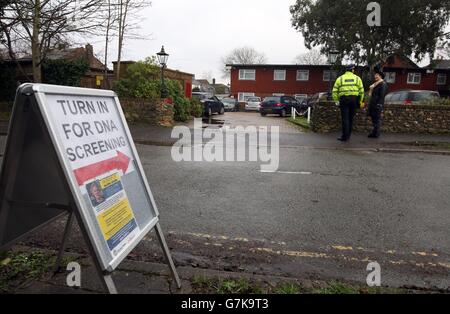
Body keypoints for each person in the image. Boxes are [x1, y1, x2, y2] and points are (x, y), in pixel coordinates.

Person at [332, 65, 365, 142]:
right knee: (351, 118)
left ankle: (344, 136)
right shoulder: (357, 78)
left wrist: (336, 101)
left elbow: (334, 91)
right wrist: (361, 101)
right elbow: (361, 91)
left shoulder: (340, 78)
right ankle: (348, 135)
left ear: (346, 70)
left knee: (345, 119)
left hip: (344, 100)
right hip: (354, 100)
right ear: (352, 70)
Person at [367, 70, 388, 138]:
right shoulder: (375, 85)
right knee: (374, 119)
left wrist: (379, 105)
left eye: (377, 75)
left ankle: (376, 134)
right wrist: (371, 89)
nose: (375, 76)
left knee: (376, 119)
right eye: (375, 74)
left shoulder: (383, 84)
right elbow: (370, 95)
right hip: (373, 104)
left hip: (377, 105)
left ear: (380, 76)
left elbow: (382, 95)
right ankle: (374, 133)